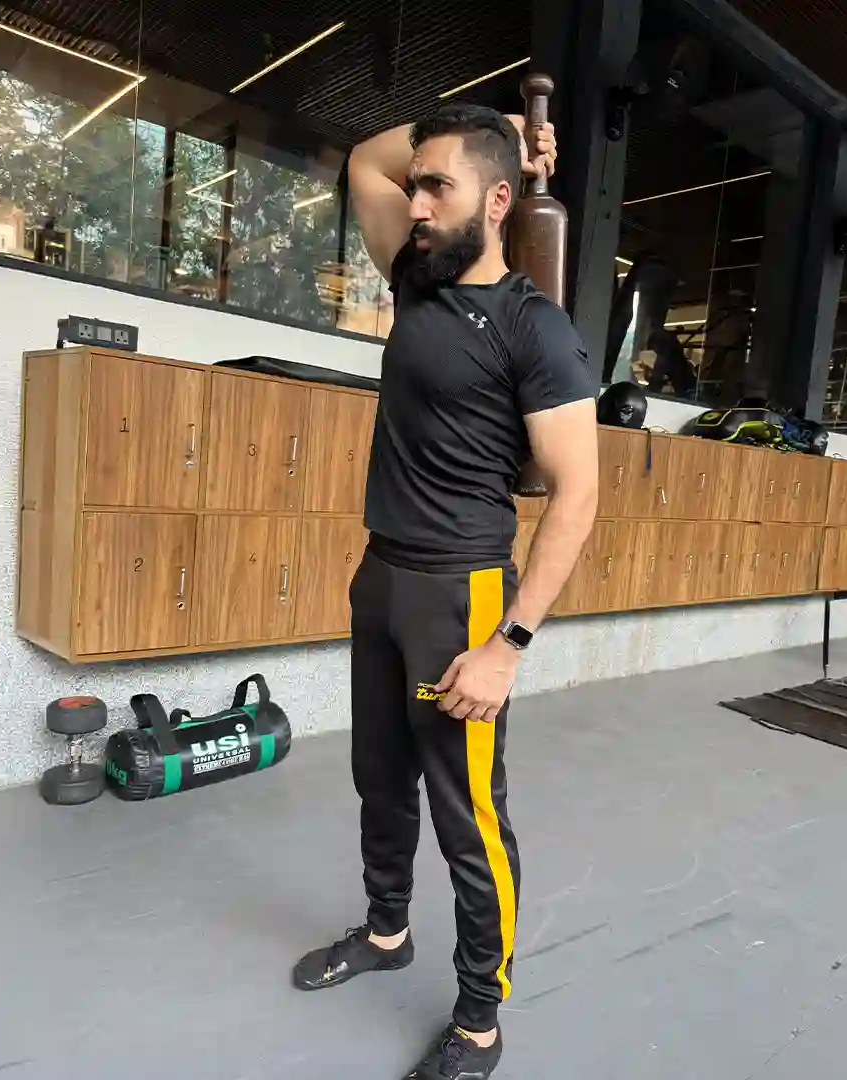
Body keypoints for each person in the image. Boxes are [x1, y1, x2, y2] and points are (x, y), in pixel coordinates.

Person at [289, 104, 600, 1079]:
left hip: (462, 593)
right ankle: (388, 933)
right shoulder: (414, 282)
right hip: (380, 576)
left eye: (440, 187)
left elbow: (578, 495)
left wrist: (507, 645)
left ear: (498, 201)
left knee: (469, 817)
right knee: (379, 782)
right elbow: (361, 157)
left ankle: (478, 1018)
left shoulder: (535, 329)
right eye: (417, 187)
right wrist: (499, 116)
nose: (415, 201)